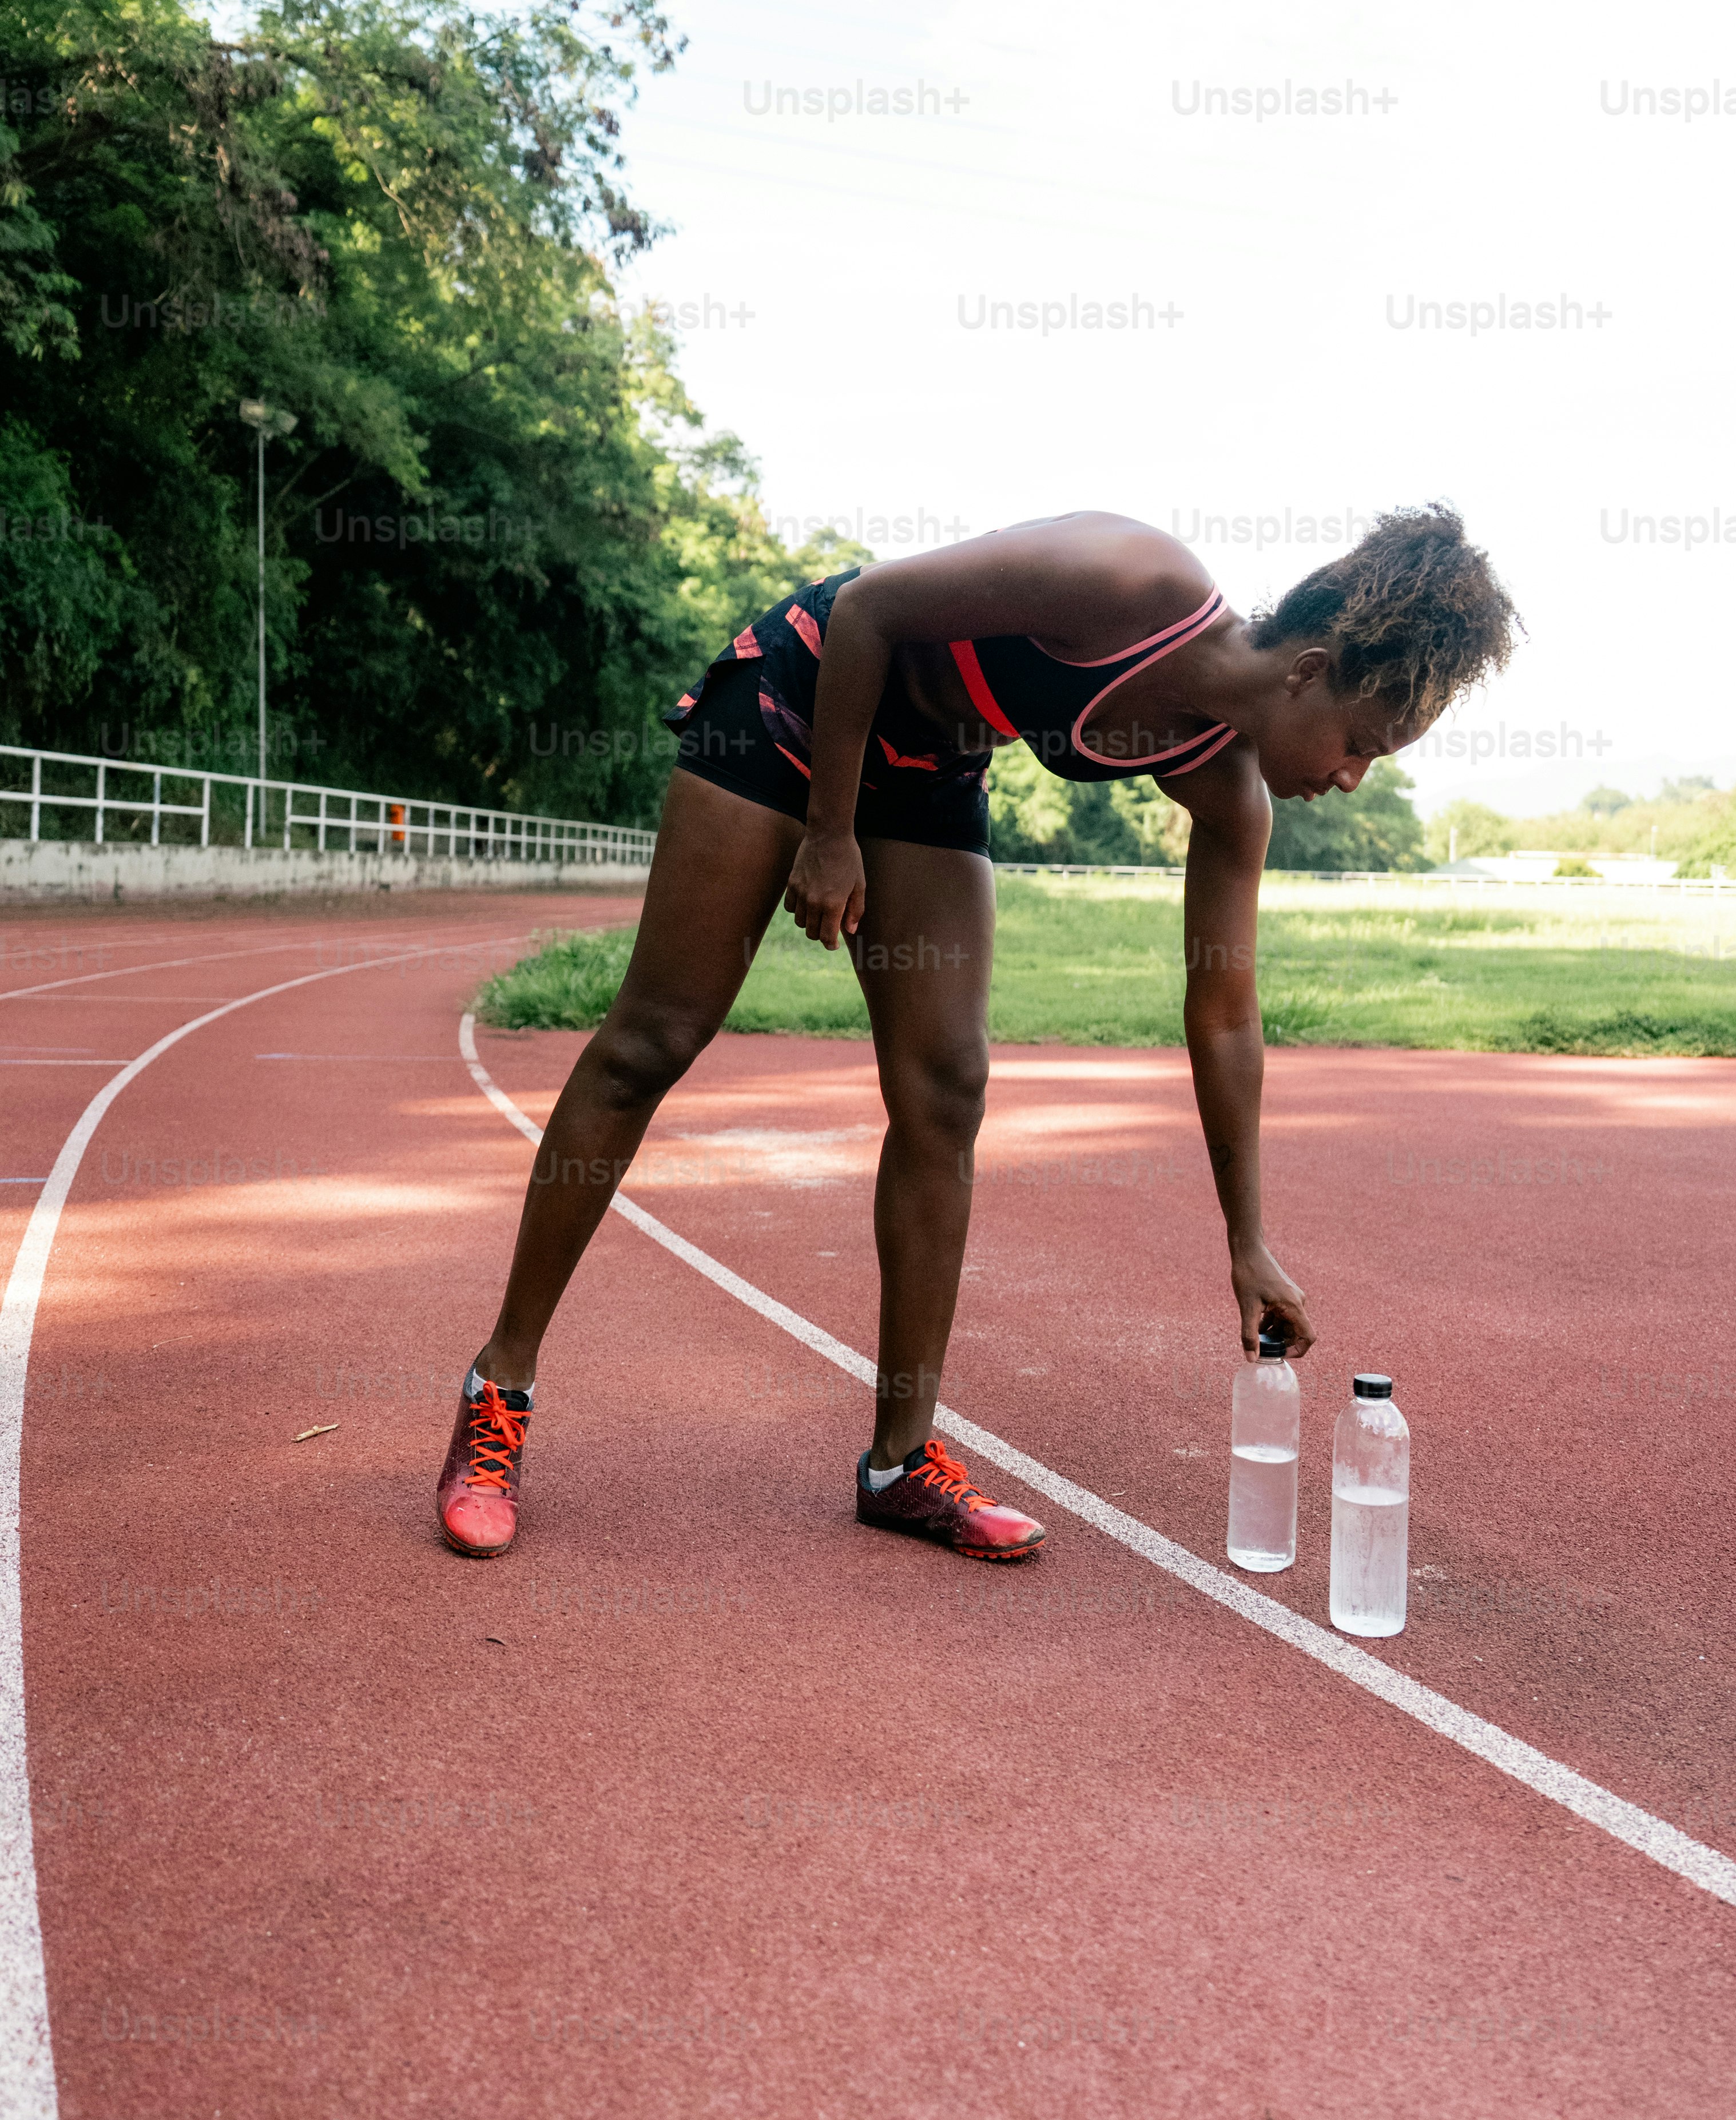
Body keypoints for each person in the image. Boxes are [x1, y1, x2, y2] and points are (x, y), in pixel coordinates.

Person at [435, 504, 1517, 1564]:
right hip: (803, 696)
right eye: (1360, 744)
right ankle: (500, 1392)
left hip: (931, 762)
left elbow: (1225, 1011)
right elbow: (867, 610)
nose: (1350, 777)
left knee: (948, 1088)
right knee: (652, 1039)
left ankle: (899, 1465)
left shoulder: (1230, 790)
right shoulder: (1132, 580)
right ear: (1306, 670)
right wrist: (828, 834)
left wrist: (1247, 1238)